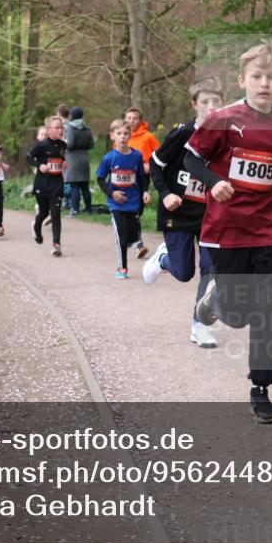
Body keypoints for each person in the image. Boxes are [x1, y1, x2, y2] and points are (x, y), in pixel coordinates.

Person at [183, 39, 272, 425]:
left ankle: (261, 387)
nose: (264, 83)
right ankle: (215, 304)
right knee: (239, 315)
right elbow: (192, 157)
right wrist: (212, 181)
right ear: (243, 79)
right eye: (257, 76)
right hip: (227, 228)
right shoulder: (223, 119)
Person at [145, 79, 224, 348]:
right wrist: (165, 193)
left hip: (209, 214)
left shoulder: (227, 137)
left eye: (216, 102)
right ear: (194, 104)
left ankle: (200, 326)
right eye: (205, 102)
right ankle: (163, 259)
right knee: (183, 272)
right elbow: (155, 165)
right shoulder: (181, 134)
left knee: (211, 270)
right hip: (177, 212)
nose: (211, 107)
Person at [96, 119, 150, 278]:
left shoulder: (137, 156)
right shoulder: (108, 158)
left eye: (126, 133)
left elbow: (141, 177)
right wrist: (112, 194)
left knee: (131, 237)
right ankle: (122, 268)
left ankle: (128, 242)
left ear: (130, 135)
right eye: (119, 133)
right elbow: (100, 179)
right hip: (116, 204)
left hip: (133, 203)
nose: (122, 137)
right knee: (121, 236)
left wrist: (145, 192)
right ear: (112, 136)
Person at [27, 115, 68, 256]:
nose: (60, 130)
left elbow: (60, 158)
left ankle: (57, 245)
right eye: (57, 127)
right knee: (43, 212)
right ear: (49, 130)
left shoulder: (63, 145)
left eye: (61, 127)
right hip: (42, 184)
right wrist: (40, 165)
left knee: (55, 214)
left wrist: (63, 163)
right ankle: (36, 226)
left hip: (57, 183)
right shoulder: (43, 145)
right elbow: (29, 157)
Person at [126, 106, 160, 258]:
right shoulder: (123, 136)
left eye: (135, 118)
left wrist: (149, 164)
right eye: (129, 118)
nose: (132, 121)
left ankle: (131, 237)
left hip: (141, 178)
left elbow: (161, 155)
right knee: (132, 212)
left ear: (140, 120)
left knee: (137, 212)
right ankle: (138, 243)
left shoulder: (148, 137)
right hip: (125, 180)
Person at [63, 105, 95, 216]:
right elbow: (91, 144)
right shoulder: (87, 128)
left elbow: (70, 144)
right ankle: (88, 209)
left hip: (73, 158)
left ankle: (75, 209)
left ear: (72, 115)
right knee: (85, 186)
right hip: (84, 157)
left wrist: (63, 143)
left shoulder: (70, 128)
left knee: (74, 185)